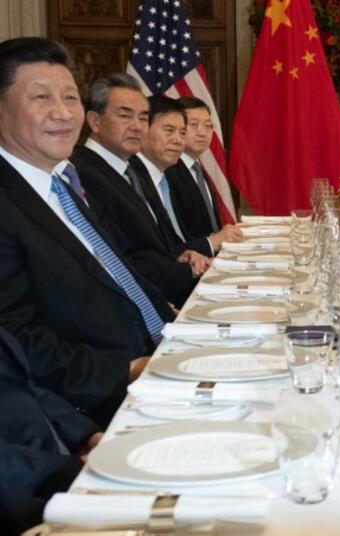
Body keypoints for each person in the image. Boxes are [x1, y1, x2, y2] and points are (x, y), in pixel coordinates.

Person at [0, 37, 171, 425]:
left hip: (157, 355)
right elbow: (15, 341)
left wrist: (175, 323)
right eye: (41, 98)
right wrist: (128, 370)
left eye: (70, 98)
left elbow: (116, 274)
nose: (63, 113)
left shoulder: (60, 184)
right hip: (98, 399)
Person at [71, 73, 209, 306]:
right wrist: (191, 272)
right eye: (125, 116)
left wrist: (182, 256)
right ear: (94, 121)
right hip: (145, 305)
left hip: (167, 289)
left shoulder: (132, 167)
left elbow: (152, 245)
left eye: (143, 118)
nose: (137, 126)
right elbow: (118, 261)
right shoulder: (84, 173)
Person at [0, 328, 102, 534]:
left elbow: (24, 386)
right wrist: (67, 470)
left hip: (57, 462)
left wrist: (86, 435)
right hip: (26, 495)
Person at [128, 95, 217, 257]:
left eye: (182, 132)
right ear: (143, 129)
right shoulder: (132, 177)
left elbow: (176, 239)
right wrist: (211, 243)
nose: (177, 140)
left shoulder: (162, 177)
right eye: (169, 130)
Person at [164, 97, 243, 253]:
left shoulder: (197, 169)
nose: (202, 132)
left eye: (208, 126)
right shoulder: (168, 172)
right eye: (194, 125)